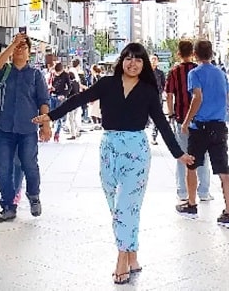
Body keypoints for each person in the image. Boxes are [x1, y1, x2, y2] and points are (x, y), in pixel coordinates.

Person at [33, 42, 193, 285]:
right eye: (128, 58)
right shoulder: (107, 84)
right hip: (109, 150)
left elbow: (160, 122)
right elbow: (80, 98)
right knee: (118, 207)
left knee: (126, 206)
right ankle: (132, 253)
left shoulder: (149, 90)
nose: (133, 63)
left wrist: (178, 153)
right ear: (122, 60)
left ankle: (121, 258)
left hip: (137, 151)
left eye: (138, 60)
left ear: (144, 64)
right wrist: (51, 116)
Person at [176, 39, 229, 229]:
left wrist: (186, 121)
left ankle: (192, 205)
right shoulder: (221, 74)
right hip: (219, 126)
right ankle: (228, 212)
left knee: (192, 166)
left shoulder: (195, 73)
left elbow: (197, 97)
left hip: (200, 127)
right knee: (224, 171)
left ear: (195, 54)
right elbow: (226, 97)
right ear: (211, 54)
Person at [0, 32, 51, 223]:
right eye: (16, 47)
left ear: (29, 53)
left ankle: (33, 196)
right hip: (3, 128)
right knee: (3, 168)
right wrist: (12, 44)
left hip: (28, 129)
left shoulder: (35, 75)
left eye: (23, 47)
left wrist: (46, 125)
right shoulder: (5, 71)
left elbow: (43, 101)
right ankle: (8, 206)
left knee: (29, 165)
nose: (19, 50)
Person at [165, 38, 213, 202]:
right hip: (200, 119)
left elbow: (169, 95)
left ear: (178, 54)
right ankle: (204, 191)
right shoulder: (199, 70)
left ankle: (183, 191)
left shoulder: (174, 72)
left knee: (182, 155)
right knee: (202, 155)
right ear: (193, 53)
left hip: (180, 118)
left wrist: (171, 114)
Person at [49, 62, 72, 142]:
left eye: (59, 72)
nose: (57, 74)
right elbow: (50, 83)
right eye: (56, 72)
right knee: (50, 114)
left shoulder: (65, 75)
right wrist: (51, 88)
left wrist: (64, 95)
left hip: (60, 97)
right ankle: (48, 130)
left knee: (58, 115)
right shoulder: (52, 74)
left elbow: (69, 87)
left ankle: (57, 133)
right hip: (52, 96)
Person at [150, 55, 166, 144]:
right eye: (152, 59)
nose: (153, 61)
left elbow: (164, 85)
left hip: (157, 97)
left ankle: (153, 137)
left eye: (155, 59)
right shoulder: (144, 73)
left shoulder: (160, 73)